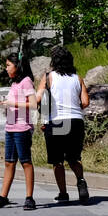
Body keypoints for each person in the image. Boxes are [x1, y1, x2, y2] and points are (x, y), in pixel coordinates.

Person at [36, 46, 90, 203]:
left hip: (56, 122)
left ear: (54, 61)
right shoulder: (77, 78)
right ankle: (81, 180)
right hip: (76, 122)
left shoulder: (48, 77)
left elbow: (39, 99)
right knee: (74, 158)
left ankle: (63, 193)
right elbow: (85, 102)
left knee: (57, 161)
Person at [0, 53, 37, 209]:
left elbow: (33, 104)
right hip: (10, 127)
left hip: (22, 128)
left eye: (9, 65)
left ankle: (29, 197)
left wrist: (12, 103)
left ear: (17, 66)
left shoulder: (26, 81)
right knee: (9, 162)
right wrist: (3, 104)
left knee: (25, 162)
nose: (6, 68)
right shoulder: (15, 83)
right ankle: (3, 196)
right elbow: (15, 103)